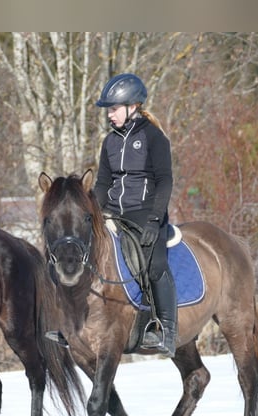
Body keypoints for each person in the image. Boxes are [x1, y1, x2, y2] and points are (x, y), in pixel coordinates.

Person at [92, 73, 177, 358]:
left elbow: (165, 180)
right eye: (108, 110)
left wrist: (155, 219)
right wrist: (90, 212)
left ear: (133, 106)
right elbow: (103, 184)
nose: (109, 115)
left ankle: (165, 328)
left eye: (113, 109)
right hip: (114, 212)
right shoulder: (110, 143)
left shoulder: (154, 138)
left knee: (154, 266)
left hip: (144, 213)